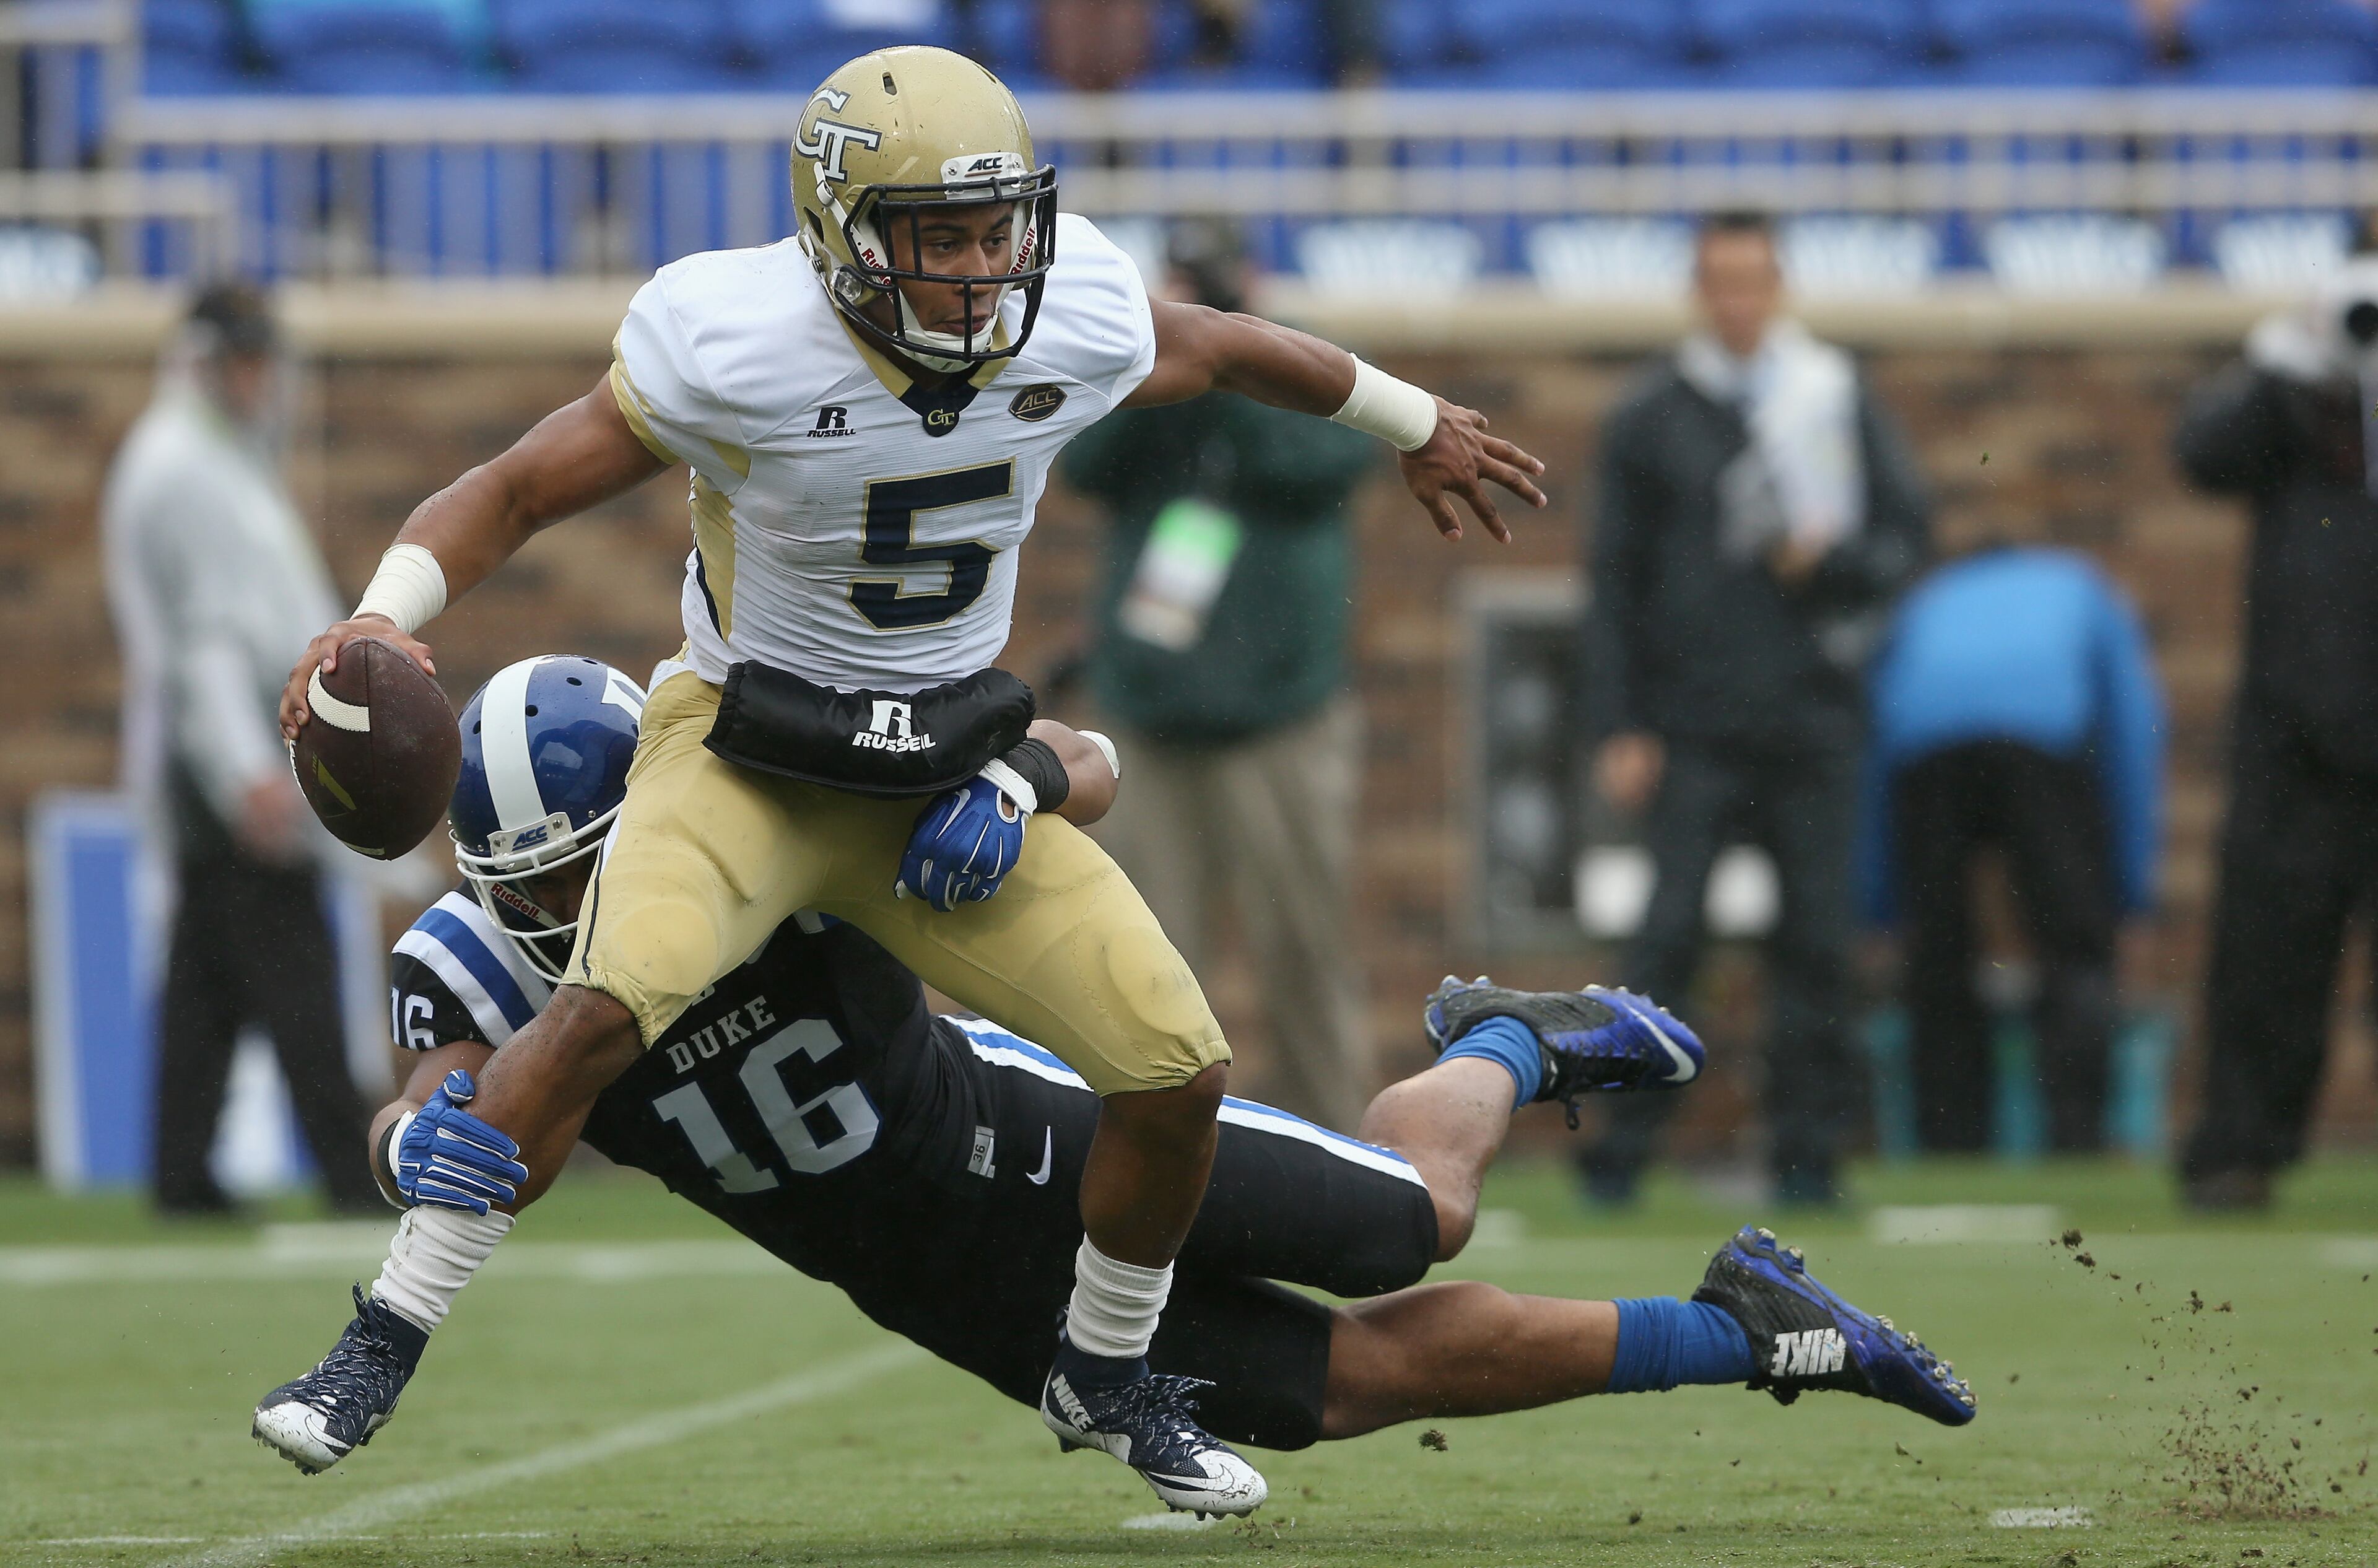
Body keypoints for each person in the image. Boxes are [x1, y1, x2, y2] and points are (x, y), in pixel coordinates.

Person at [270, 46, 1545, 1517]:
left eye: (998, 227)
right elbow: (514, 488)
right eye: (941, 236)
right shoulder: (735, 341)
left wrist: (1413, 421)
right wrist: (383, 613)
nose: (980, 267)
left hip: (932, 757)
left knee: (1173, 1066)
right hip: (744, 750)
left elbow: (1233, 347)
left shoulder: (1060, 316)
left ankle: (1105, 1366)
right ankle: (380, 1336)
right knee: (602, 1006)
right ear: (841, 237)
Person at [252, 655, 1971, 1483]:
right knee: (1341, 1392)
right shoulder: (475, 960)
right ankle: (1748, 1327)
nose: (566, 906)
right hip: (942, 1284)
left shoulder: (767, 817)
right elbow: (452, 1089)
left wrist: (1010, 787)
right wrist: (430, 1140)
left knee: (1418, 1220)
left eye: (590, 865)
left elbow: (1086, 750)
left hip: (1061, 1139)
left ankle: (1509, 1041)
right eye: (531, 883)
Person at [1580, 210, 1931, 1207]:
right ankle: (1619, 1154)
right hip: (1692, 726)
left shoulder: (1831, 394)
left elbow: (1905, 543)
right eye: (1720, 283)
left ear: (1779, 288)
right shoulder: (1653, 414)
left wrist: (1834, 563)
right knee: (1666, 943)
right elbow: (1615, 584)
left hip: (1815, 720)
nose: (1738, 304)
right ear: (1700, 291)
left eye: (1753, 282)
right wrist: (1620, 721)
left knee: (1820, 945)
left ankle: (1811, 1157)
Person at [1065, 219, 1378, 1131]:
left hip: (1283, 712)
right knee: (1139, 961)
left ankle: (1351, 1155)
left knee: (1305, 956)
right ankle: (1131, 1151)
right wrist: (1164, 354)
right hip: (1150, 713)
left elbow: (1319, 463)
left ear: (1253, 276)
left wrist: (1233, 355)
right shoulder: (1144, 366)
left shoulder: (1305, 365)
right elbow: (1087, 464)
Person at [102, 281, 382, 1219]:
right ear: (211, 363)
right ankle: (350, 1168)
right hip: (224, 754)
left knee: (211, 977)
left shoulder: (213, 457)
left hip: (223, 750)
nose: (265, 380)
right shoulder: (186, 468)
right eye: (247, 361)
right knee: (290, 959)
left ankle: (182, 1174)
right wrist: (244, 772)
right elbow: (206, 643)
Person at [2174, 253, 2378, 1209]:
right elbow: (2203, 454)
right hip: (2295, 727)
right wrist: (2293, 361)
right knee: (2267, 949)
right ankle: (2240, 1150)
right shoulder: (2296, 396)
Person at [1865, 545, 2164, 1155]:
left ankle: (1948, 1143)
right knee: (2075, 947)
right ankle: (2077, 1138)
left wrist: (1879, 906)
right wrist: (2129, 894)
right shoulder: (2083, 585)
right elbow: (2135, 733)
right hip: (2044, 736)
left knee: (1938, 955)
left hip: (1925, 746)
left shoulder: (1928, 598)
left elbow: (1872, 754)